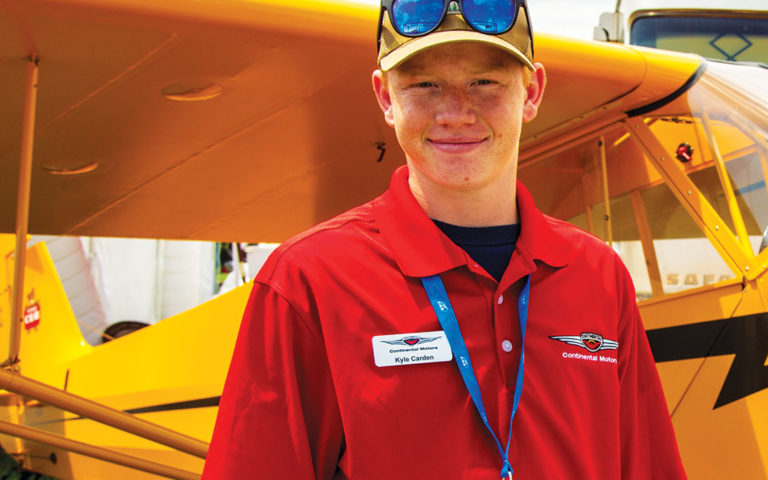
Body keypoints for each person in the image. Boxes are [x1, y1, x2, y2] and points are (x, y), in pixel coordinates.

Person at [203, 0, 686, 477]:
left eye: (485, 82)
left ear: (532, 91)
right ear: (386, 98)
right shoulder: (307, 278)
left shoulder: (599, 275)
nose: (456, 112)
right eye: (425, 85)